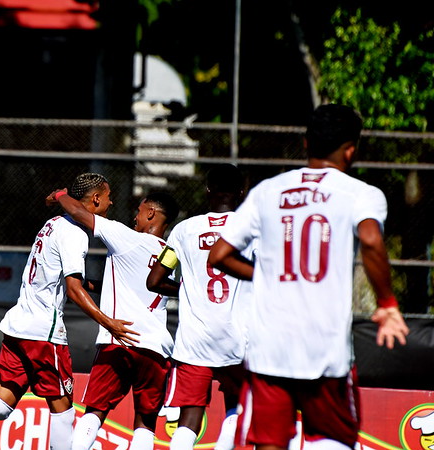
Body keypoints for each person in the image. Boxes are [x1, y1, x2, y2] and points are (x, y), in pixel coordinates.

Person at [208, 104, 410, 450]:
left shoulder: (267, 191)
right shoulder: (360, 193)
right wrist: (388, 304)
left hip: (269, 347)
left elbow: (220, 255)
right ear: (351, 150)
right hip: (325, 347)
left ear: (305, 143)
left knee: (269, 443)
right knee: (332, 439)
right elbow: (372, 240)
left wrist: (266, 276)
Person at [0, 173, 139, 450]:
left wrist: (102, 286)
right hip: (44, 335)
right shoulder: (76, 234)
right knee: (63, 408)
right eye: (109, 196)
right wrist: (108, 323)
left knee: (2, 403)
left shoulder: (53, 224)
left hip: (19, 326)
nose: (112, 202)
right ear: (96, 198)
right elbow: (75, 290)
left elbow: (60, 277)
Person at [46, 188, 179, 450]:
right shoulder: (171, 256)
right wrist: (91, 285)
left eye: (139, 211)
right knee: (145, 423)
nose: (135, 216)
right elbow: (134, 284)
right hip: (156, 349)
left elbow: (78, 212)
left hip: (119, 340)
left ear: (151, 213)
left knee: (95, 412)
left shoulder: (127, 237)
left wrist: (60, 194)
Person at [145, 164, 249, 450]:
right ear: (243, 192)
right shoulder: (252, 229)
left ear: (207, 191)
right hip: (240, 338)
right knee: (237, 408)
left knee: (189, 419)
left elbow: (154, 280)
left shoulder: (184, 230)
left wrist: (189, 289)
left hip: (194, 341)